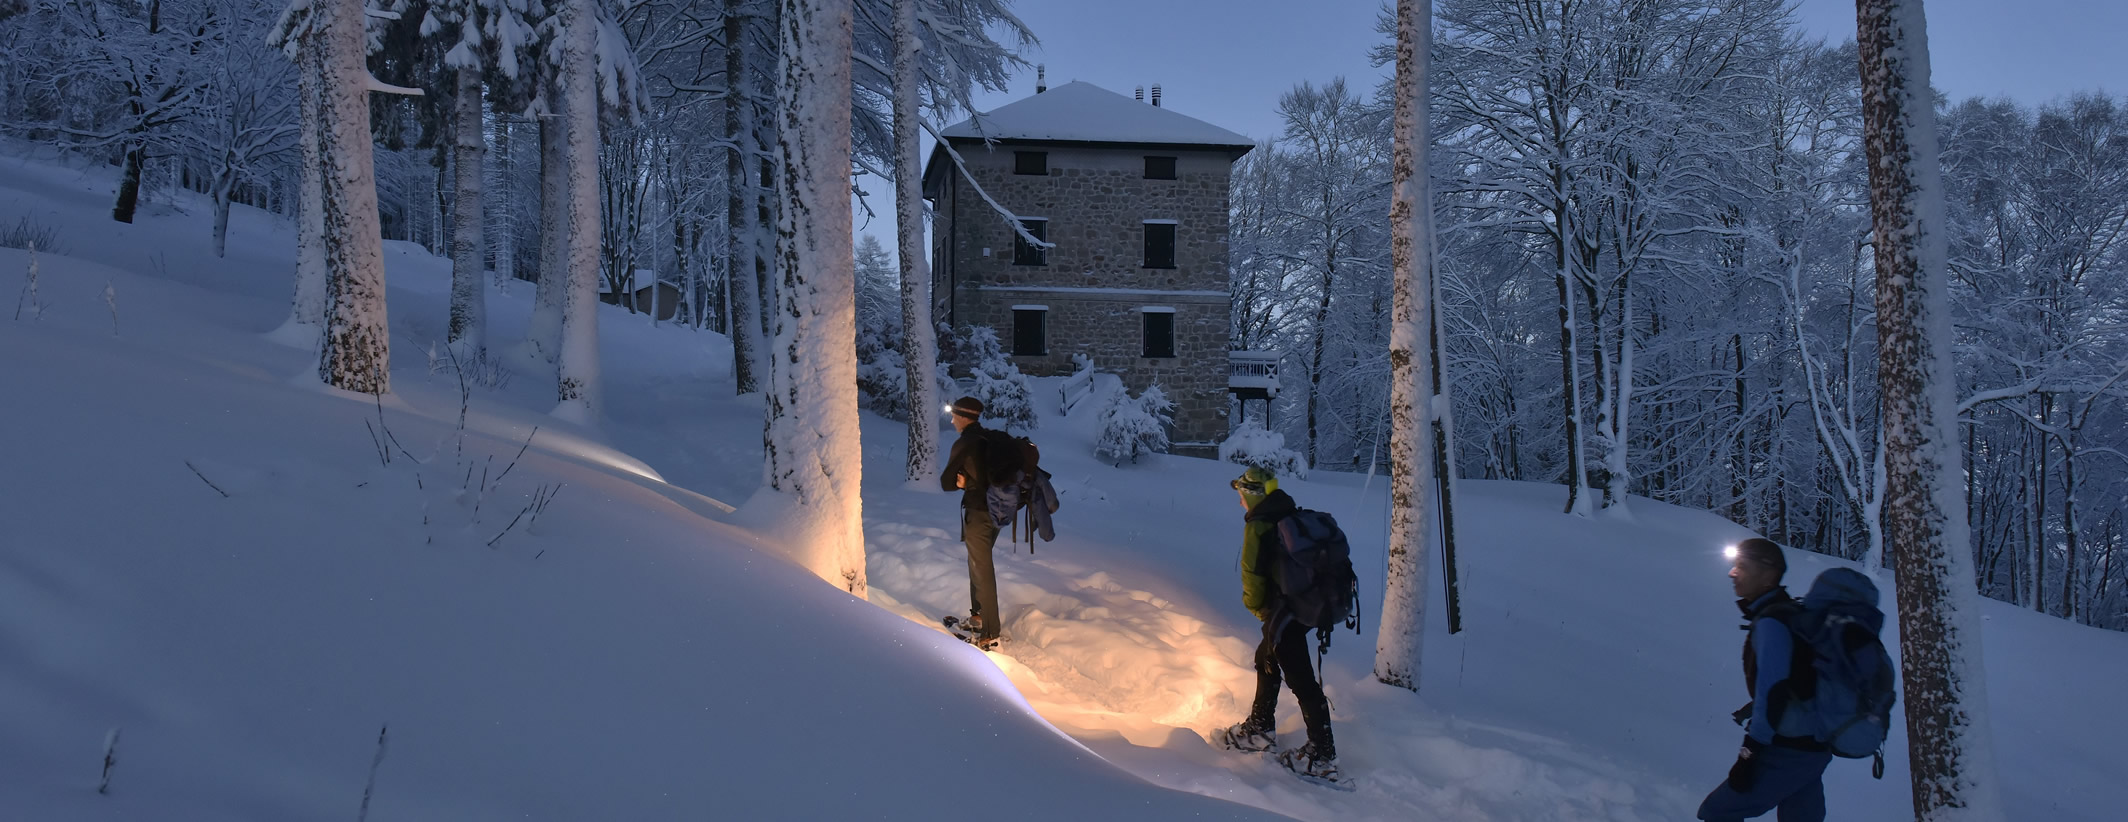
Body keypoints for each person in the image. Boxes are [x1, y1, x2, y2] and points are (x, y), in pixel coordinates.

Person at [1214, 467, 1338, 782]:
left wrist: (1259, 610)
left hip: (1286, 610)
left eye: (1242, 495)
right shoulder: (1287, 513)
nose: (1240, 502)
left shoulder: (1259, 525)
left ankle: (1322, 756)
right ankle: (1260, 726)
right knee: (1266, 657)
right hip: (1302, 605)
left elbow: (1252, 574)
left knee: (1299, 677)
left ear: (1252, 494)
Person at [1698, 538, 1834, 821]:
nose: (1732, 573)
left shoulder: (1772, 623)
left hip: (1789, 749)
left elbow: (1774, 693)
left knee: (1717, 812)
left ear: (1769, 576)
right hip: (1814, 745)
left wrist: (1749, 754)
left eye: (1742, 567)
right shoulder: (1788, 615)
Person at [939, 396, 1002, 650]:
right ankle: (978, 617)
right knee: (977, 564)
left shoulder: (965, 443)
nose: (952, 419)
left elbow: (945, 482)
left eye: (954, 415)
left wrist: (963, 482)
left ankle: (988, 631)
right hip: (997, 512)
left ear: (964, 417)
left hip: (979, 513)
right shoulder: (989, 439)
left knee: (982, 569)